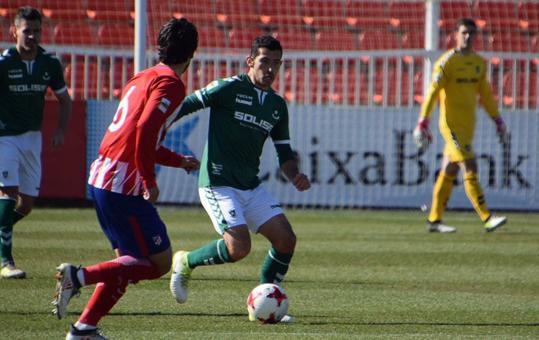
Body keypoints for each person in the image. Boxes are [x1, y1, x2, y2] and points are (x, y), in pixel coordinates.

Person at [52, 18, 200, 339]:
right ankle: (78, 277)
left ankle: (83, 329)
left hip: (103, 176)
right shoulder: (172, 84)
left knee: (127, 264)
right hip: (124, 184)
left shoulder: (142, 77)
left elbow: (137, 135)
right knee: (158, 263)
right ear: (192, 54)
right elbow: (145, 132)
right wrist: (148, 180)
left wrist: (178, 161)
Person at [169, 35, 311, 322]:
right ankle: (186, 261)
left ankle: (267, 302)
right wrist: (154, 125)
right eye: (264, 62)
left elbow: (284, 153)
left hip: (250, 186)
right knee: (239, 248)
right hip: (218, 184)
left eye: (276, 63)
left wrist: (295, 175)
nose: (270, 69)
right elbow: (185, 105)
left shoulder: (276, 106)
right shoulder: (228, 88)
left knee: (286, 240)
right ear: (250, 62)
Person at [413, 18, 508, 233]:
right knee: (470, 166)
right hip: (451, 126)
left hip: (468, 127)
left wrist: (498, 121)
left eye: (472, 33)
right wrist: (423, 121)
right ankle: (487, 217)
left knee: (449, 169)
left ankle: (434, 220)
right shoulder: (447, 63)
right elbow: (432, 93)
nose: (468, 37)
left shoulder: (478, 64)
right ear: (456, 34)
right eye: (464, 32)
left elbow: (486, 96)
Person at [0, 6, 72, 279]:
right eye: (26, 31)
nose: (32, 36)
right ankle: (6, 262)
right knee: (7, 193)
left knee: (26, 204)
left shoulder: (49, 64)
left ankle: (0, 228)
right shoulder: (4, 64)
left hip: (33, 138)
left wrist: (61, 130)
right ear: (14, 31)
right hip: (4, 137)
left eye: (36, 31)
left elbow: (64, 100)